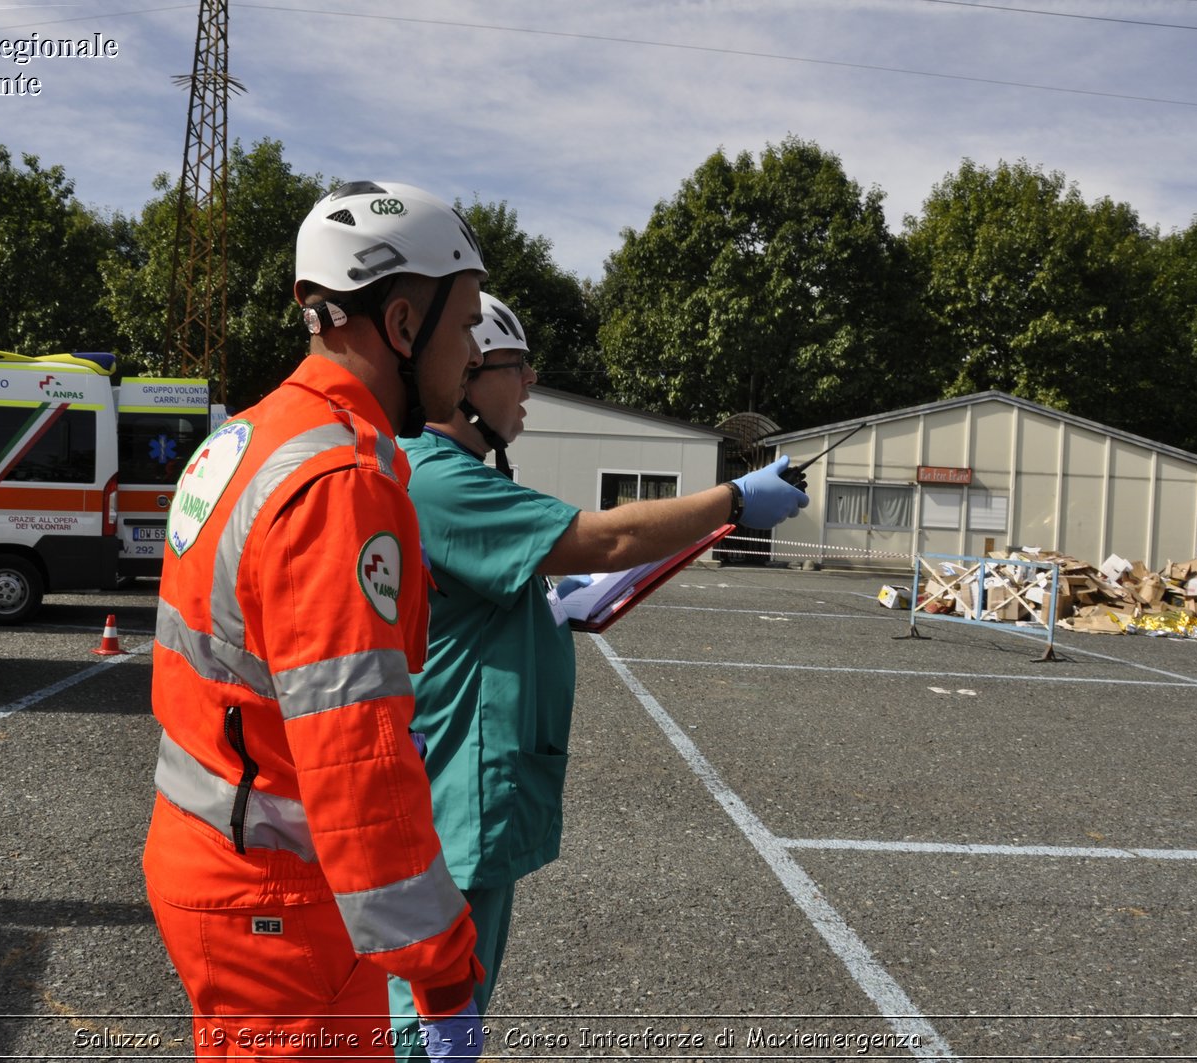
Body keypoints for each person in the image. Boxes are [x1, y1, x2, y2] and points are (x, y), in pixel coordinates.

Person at [386, 292, 810, 1055]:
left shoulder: (444, 473)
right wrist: (735, 499)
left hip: (467, 784)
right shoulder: (436, 478)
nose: (529, 389)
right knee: (428, 1018)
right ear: (470, 371)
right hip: (456, 791)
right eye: (519, 371)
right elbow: (604, 540)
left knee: (452, 1001)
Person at [143, 181, 492, 1060]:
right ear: (405, 325)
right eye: (466, 326)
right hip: (277, 900)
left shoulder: (251, 438)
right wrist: (443, 969)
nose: (474, 353)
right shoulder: (342, 483)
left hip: (215, 856)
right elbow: (357, 757)